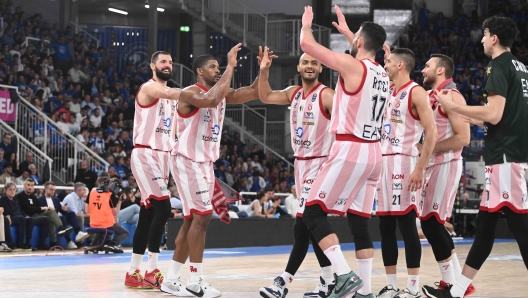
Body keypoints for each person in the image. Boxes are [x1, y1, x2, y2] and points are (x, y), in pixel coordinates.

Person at [422, 16, 528, 298]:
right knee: (485, 227)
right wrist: (472, 116)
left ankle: (456, 290)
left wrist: (453, 106)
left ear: (494, 38)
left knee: (520, 228)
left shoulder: (498, 65)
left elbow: (493, 114)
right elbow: (501, 117)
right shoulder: (521, 68)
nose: (481, 39)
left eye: (485, 34)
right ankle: (457, 290)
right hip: (512, 154)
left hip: (505, 156)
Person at [161, 44, 266, 297]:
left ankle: (172, 279)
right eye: (213, 67)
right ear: (199, 70)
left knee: (191, 219)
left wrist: (263, 71)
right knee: (203, 216)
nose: (217, 70)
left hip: (205, 162)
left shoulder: (221, 93)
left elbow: (254, 92)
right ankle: (196, 281)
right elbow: (212, 99)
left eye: (219, 67)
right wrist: (231, 65)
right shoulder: (189, 93)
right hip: (187, 160)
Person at [299, 6, 389, 298]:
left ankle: (344, 274)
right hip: (375, 153)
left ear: (361, 43)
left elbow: (307, 46)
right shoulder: (383, 74)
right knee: (359, 222)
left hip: (351, 148)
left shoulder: (354, 67)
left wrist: (307, 24)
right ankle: (365, 291)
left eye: (356, 38)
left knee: (312, 212)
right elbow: (365, 49)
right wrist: (352, 33)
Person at [258, 46, 336, 298]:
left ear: (321, 67)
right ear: (299, 68)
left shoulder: (327, 96)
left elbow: (349, 121)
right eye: (306, 62)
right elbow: (266, 96)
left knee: (303, 225)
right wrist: (264, 71)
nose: (310, 65)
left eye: (315, 62)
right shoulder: (293, 94)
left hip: (321, 163)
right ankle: (328, 281)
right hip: (301, 164)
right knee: (308, 225)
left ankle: (284, 280)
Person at [375, 47, 438, 298]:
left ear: (400, 65)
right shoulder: (388, 89)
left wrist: (420, 168)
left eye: (389, 62)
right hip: (383, 163)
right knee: (385, 228)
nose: (385, 65)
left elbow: (431, 132)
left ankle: (412, 288)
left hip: (405, 162)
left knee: (407, 227)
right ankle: (392, 286)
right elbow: (369, 66)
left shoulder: (417, 92)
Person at [418, 54, 475, 296]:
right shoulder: (433, 96)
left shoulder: (452, 95)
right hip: (433, 165)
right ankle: (460, 284)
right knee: (433, 223)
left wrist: (427, 149)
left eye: (427, 66)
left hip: (446, 164)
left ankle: (452, 287)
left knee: (430, 223)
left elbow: (464, 138)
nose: (423, 70)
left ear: (440, 70)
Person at [125, 51, 180, 290]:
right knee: (164, 208)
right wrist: (201, 92)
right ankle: (152, 270)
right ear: (152, 66)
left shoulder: (172, 98)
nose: (167, 65)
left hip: (163, 156)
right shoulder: (150, 88)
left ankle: (133, 271)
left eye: (169, 62)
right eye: (163, 62)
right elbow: (168, 92)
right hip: (146, 153)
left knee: (148, 212)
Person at [16, 178, 73, 249]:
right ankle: (57, 234)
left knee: (51, 214)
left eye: (32, 185)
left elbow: (38, 208)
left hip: (36, 215)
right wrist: (43, 208)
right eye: (28, 185)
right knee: (48, 216)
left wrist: (46, 209)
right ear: (24, 186)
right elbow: (28, 209)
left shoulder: (33, 196)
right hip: (28, 217)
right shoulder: (19, 196)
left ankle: (53, 241)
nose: (30, 187)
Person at [38, 181, 89, 249]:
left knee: (71, 213)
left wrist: (64, 209)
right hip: (49, 218)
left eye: (54, 189)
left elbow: (62, 211)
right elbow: (39, 211)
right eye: (51, 189)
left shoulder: (56, 199)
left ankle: (78, 232)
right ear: (45, 189)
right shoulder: (40, 199)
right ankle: (68, 241)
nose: (53, 191)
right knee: (62, 218)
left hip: (58, 217)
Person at [85, 173, 129, 251]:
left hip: (93, 222)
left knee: (103, 231)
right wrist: (119, 202)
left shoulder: (92, 191)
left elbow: (86, 210)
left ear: (98, 181)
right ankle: (112, 244)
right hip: (107, 223)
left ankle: (95, 245)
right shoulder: (110, 194)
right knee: (125, 233)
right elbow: (115, 213)